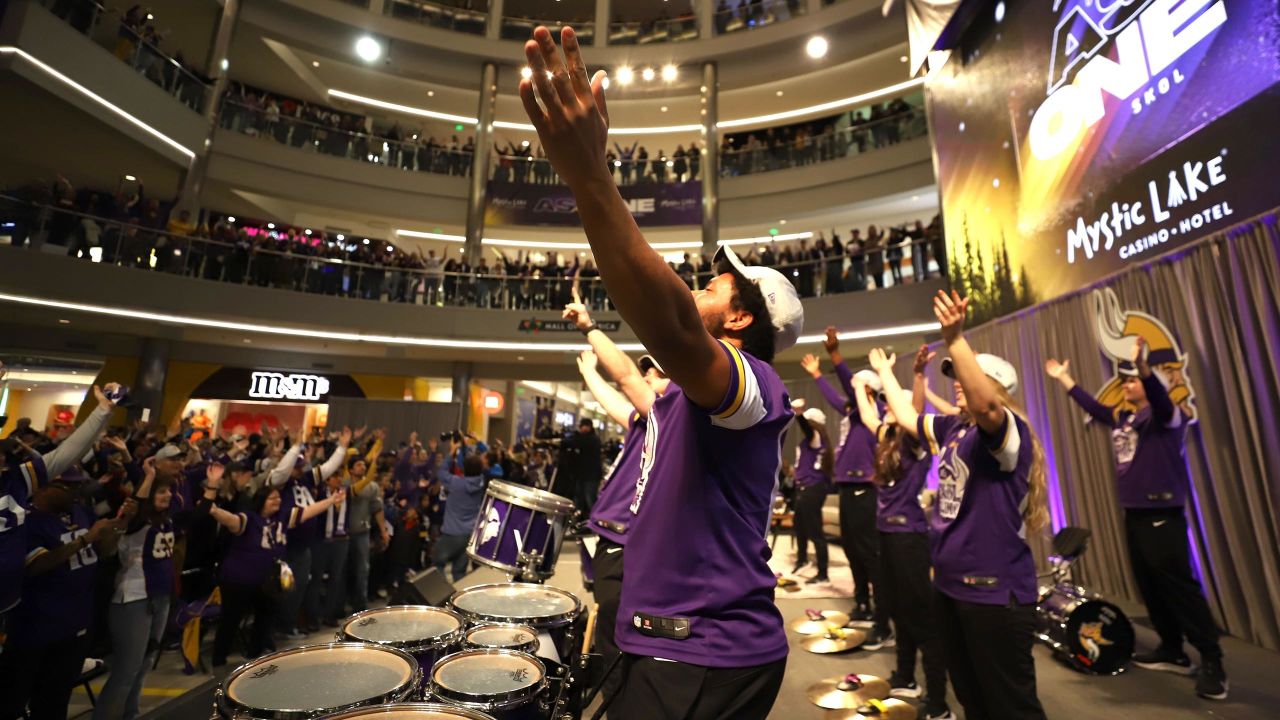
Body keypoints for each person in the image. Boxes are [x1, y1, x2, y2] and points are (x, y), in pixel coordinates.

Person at [517, 26, 803, 717]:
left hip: (701, 654)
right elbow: (638, 373)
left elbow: (672, 327)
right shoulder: (687, 400)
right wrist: (591, 333)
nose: (697, 289)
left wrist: (589, 176)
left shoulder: (753, 385)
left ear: (739, 321)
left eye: (711, 286)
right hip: (669, 646)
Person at [881, 290, 1049, 720]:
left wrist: (955, 336)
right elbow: (904, 417)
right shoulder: (955, 427)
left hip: (994, 595)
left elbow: (988, 407)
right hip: (953, 589)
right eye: (952, 374)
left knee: (1011, 707)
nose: (955, 380)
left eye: (963, 374)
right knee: (973, 699)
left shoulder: (1007, 431)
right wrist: (884, 372)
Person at [1045, 337, 1227, 700]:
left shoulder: (1167, 416)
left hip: (1163, 515)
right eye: (1124, 379)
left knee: (1179, 587)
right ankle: (1172, 648)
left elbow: (1161, 399)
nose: (1125, 384)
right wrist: (1066, 380)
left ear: (1150, 384)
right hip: (1136, 516)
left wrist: (1145, 368)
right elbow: (1096, 409)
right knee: (1150, 584)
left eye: (1132, 380)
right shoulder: (1126, 417)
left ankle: (1213, 661)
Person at [567, 290, 670, 703]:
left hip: (629, 542)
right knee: (609, 628)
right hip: (609, 536)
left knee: (616, 633)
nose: (647, 378)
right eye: (648, 373)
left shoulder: (669, 417)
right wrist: (589, 372)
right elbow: (613, 399)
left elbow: (625, 378)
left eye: (657, 374)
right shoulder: (644, 423)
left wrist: (590, 328)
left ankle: (617, 703)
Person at [863, 346, 953, 720]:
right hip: (887, 535)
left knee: (923, 619)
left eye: (891, 403)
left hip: (910, 538)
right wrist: (860, 389)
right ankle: (904, 676)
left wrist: (915, 377)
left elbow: (912, 410)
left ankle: (938, 702)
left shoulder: (913, 441)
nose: (887, 407)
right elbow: (870, 418)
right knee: (898, 609)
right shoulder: (886, 437)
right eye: (885, 403)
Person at [0, 473, 125, 720]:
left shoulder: (79, 511)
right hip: (35, 631)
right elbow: (35, 565)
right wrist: (85, 539)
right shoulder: (25, 521)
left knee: (55, 703)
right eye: (70, 487)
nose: (77, 493)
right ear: (44, 488)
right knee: (12, 704)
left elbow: (104, 552)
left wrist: (116, 527)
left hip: (75, 626)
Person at [804, 330, 892, 647]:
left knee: (870, 556)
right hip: (847, 489)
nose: (853, 390)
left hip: (866, 491)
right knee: (854, 551)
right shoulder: (855, 414)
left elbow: (845, 387)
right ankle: (863, 604)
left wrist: (836, 358)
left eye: (858, 386)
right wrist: (816, 376)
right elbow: (834, 398)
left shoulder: (877, 415)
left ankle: (883, 619)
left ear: (870, 391)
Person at [204, 473, 344, 666]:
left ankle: (255, 656)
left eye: (279, 497)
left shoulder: (282, 518)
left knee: (266, 615)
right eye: (272, 498)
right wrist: (215, 511)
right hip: (238, 581)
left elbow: (308, 511)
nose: (277, 500)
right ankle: (218, 661)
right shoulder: (250, 519)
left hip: (265, 581)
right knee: (231, 620)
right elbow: (232, 520)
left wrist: (331, 500)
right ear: (261, 501)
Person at [93, 460, 175, 720]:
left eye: (169, 491)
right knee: (126, 670)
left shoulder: (166, 519)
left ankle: (131, 713)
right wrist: (148, 475)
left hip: (159, 597)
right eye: (161, 491)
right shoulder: (136, 521)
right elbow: (136, 510)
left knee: (144, 665)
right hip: (133, 599)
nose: (168, 495)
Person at [789, 402, 832, 584]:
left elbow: (807, 429)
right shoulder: (808, 442)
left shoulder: (816, 438)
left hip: (813, 487)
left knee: (815, 531)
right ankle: (802, 559)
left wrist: (799, 414)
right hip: (803, 487)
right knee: (799, 526)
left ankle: (823, 573)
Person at [431, 449, 486, 581]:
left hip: (452, 533)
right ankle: (457, 599)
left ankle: (441, 596)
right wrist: (464, 447)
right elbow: (470, 466)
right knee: (459, 571)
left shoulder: (456, 483)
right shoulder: (481, 482)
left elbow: (441, 471)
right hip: (469, 534)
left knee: (437, 563)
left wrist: (452, 452)